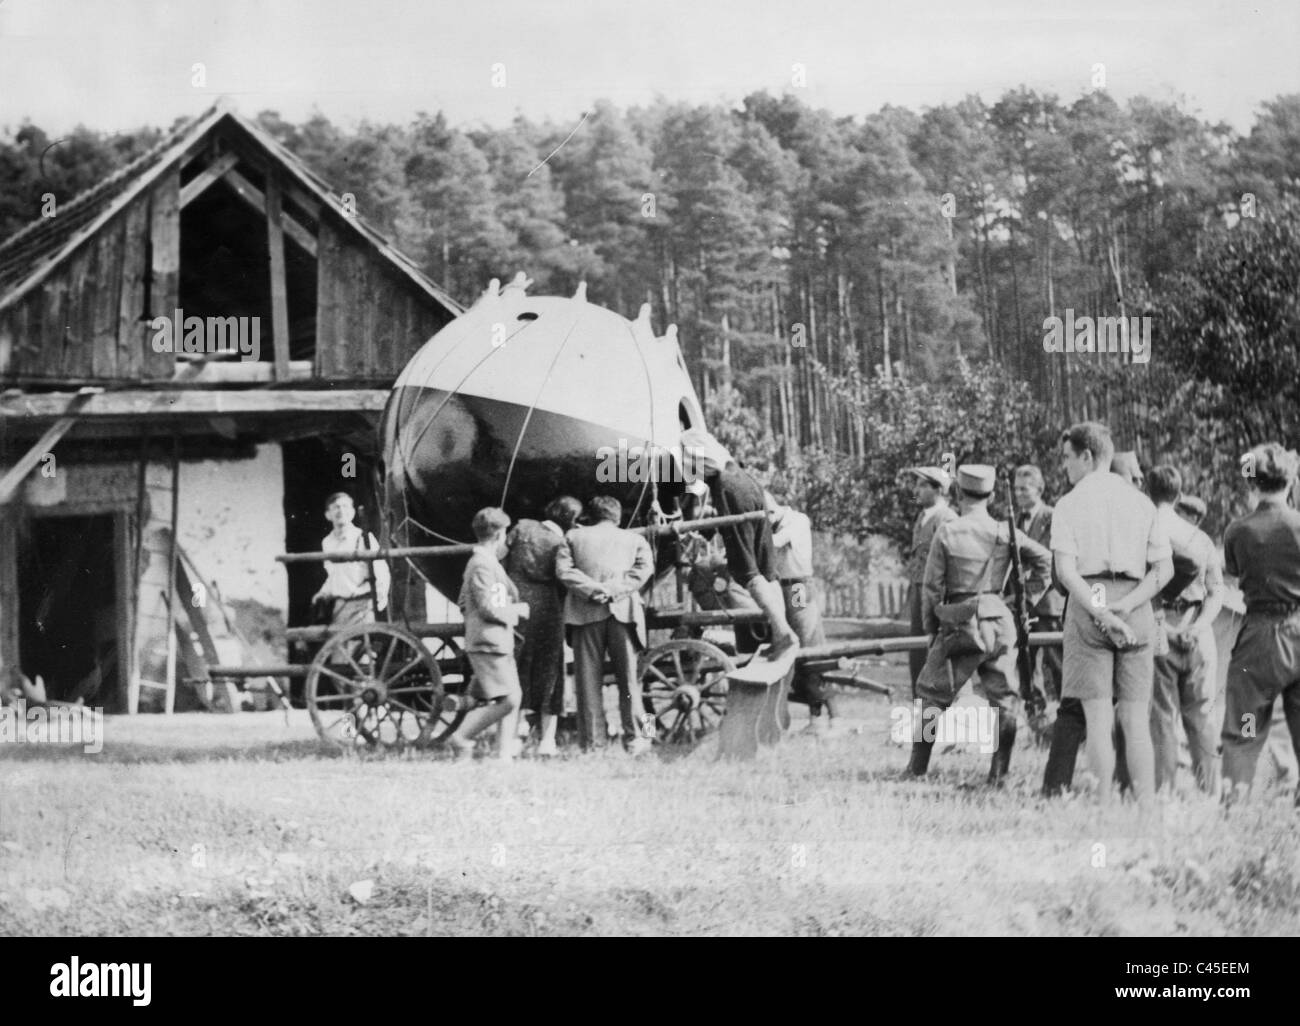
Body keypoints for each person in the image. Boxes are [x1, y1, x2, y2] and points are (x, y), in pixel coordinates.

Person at [1048, 423, 1171, 806]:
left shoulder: (1068, 504)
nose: (1065, 467)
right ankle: (1147, 807)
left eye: (1068, 458)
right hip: (1135, 603)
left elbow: (1066, 573)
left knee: (1098, 721)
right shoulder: (1142, 502)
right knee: (1136, 721)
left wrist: (1102, 612)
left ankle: (1103, 806)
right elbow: (1163, 570)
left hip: (1089, 602)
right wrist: (1128, 606)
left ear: (1087, 456)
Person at [908, 465, 1051, 784]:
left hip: (961, 623)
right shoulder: (1004, 530)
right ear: (992, 494)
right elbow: (1045, 562)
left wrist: (932, 628)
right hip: (998, 620)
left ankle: (917, 768)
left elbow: (932, 586)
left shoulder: (948, 531)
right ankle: (998, 774)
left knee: (931, 693)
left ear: (958, 492)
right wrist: (1021, 602)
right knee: (1004, 699)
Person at [1221, 443, 1300, 803]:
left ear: (1252, 484)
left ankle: (1236, 804)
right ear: (1291, 479)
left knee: (1245, 727)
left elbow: (1235, 577)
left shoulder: (1239, 531)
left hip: (1259, 641)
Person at [680, 428, 799, 660]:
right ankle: (781, 634)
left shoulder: (722, 483)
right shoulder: (737, 470)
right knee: (767, 568)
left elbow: (729, 504)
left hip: (733, 492)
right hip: (751, 488)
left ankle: (783, 633)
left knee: (747, 571)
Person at [556, 496, 655, 753]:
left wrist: (593, 590)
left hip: (584, 614)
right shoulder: (635, 539)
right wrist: (614, 590)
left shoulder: (573, 537)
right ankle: (639, 739)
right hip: (624, 613)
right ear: (617, 517)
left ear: (591, 515)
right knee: (632, 682)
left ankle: (593, 745)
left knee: (587, 684)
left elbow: (563, 571)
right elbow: (644, 570)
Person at [1147, 466, 1223, 794]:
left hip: (1161, 624)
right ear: (1179, 496)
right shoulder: (1201, 537)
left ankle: (1163, 791)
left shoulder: (1147, 529)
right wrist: (1202, 624)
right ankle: (1211, 790)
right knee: (1202, 714)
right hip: (1198, 629)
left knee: (1162, 714)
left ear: (1147, 494)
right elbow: (1217, 590)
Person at [447, 507, 530, 762]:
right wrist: (516, 610)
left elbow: (464, 601)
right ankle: (461, 737)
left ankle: (504, 754)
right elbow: (488, 606)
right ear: (499, 534)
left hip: (495, 639)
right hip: (488, 641)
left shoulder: (482, 562)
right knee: (510, 700)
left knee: (510, 696)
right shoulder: (483, 564)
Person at [503, 496, 582, 757]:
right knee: (550, 673)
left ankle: (514, 734)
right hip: (549, 609)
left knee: (517, 667)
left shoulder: (522, 527)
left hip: (518, 605)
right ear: (571, 521)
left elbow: (500, 558)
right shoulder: (562, 542)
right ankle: (547, 741)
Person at [766, 491, 833, 732]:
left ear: (772, 511)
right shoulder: (774, 522)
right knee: (786, 645)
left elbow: (774, 543)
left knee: (806, 645)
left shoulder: (797, 520)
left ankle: (819, 714)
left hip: (797, 587)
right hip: (782, 587)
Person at [1011, 465, 1063, 710]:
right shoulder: (1015, 520)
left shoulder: (1053, 517)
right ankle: (1037, 718)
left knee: (1059, 664)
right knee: (1027, 666)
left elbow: (1053, 561)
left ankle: (1072, 719)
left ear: (1040, 489)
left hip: (1049, 603)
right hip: (1023, 606)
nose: (1019, 493)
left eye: (1025, 488)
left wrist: (1030, 594)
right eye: (1016, 489)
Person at [905, 467, 957, 695]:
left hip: (937, 593)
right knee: (917, 647)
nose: (917, 490)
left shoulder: (947, 518)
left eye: (923, 485)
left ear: (939, 490)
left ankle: (941, 701)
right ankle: (919, 700)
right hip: (919, 589)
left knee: (938, 647)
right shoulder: (922, 517)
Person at [311, 491, 390, 628]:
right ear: (328, 515)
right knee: (339, 647)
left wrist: (377, 602)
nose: (341, 510)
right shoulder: (327, 542)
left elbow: (382, 573)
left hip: (363, 605)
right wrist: (323, 593)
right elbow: (333, 575)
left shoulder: (363, 538)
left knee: (361, 647)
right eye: (336, 507)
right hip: (340, 606)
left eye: (345, 506)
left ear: (352, 512)